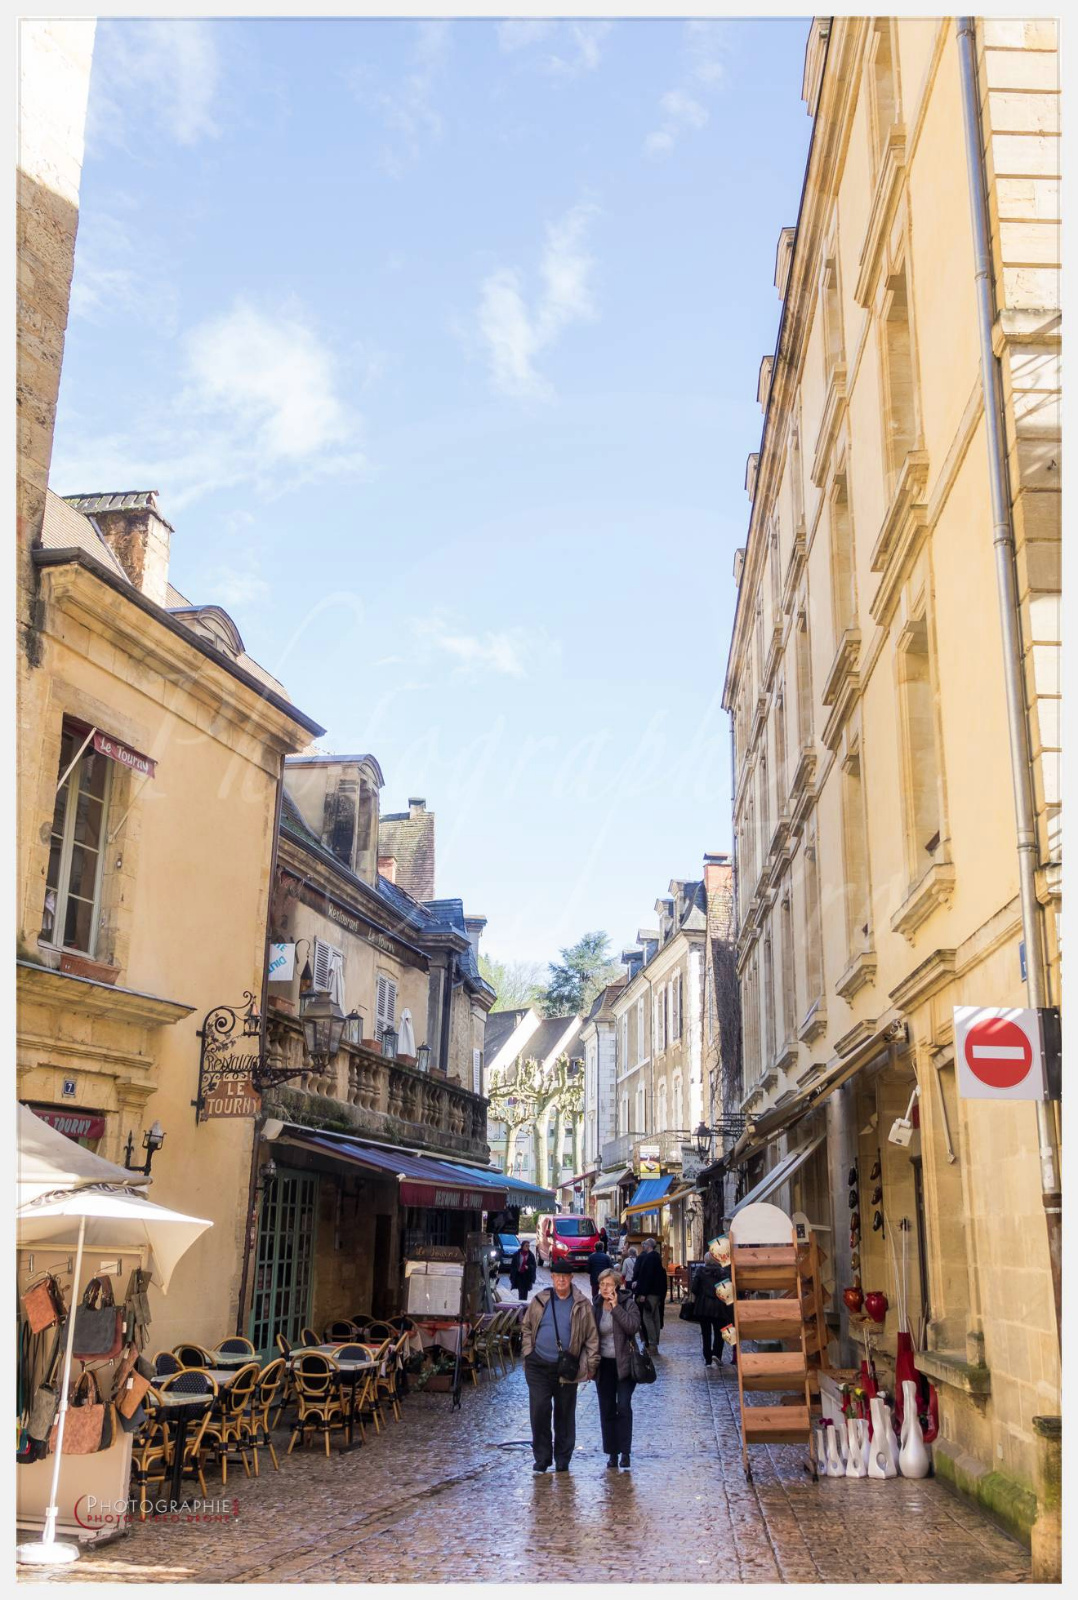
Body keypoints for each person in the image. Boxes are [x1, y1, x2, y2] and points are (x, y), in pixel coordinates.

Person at [521, 1262, 599, 1473]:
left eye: (565, 1276)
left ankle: (563, 1458)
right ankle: (542, 1457)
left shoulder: (582, 1304)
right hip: (538, 1365)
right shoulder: (540, 1300)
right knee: (539, 1411)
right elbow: (526, 1326)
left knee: (564, 1414)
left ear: (571, 1278)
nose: (561, 1280)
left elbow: (592, 1337)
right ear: (552, 1278)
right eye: (557, 1276)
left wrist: (591, 1365)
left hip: (567, 1366)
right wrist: (529, 1352)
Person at [592, 1268, 642, 1470]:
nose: (605, 1288)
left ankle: (625, 1452)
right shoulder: (595, 1305)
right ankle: (612, 1453)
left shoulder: (628, 1303)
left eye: (609, 1284)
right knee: (607, 1409)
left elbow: (632, 1327)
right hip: (604, 1366)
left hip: (625, 1364)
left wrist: (615, 1308)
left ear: (617, 1286)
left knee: (623, 1406)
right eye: (602, 1284)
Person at [691, 1236, 735, 1366]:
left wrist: (701, 1294)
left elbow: (694, 1289)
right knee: (719, 1332)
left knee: (705, 1333)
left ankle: (707, 1358)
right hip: (719, 1307)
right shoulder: (723, 1273)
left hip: (703, 1307)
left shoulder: (700, 1271)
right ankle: (716, 1354)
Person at [632, 1238, 667, 1350]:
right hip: (657, 1293)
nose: (643, 1245)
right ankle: (655, 1341)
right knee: (655, 1317)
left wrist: (643, 1293)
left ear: (649, 1246)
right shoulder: (657, 1258)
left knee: (647, 1317)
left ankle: (652, 1343)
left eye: (645, 1244)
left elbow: (647, 1277)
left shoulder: (649, 1258)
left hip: (651, 1293)